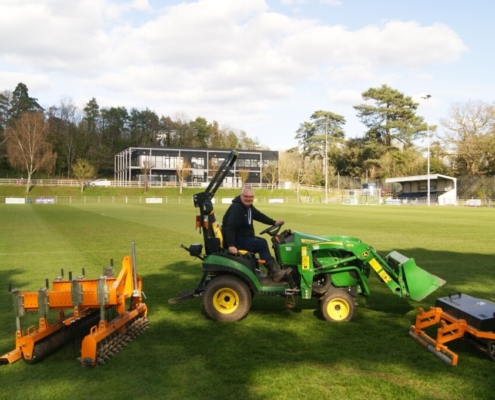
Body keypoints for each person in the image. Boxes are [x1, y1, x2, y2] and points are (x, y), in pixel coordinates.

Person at [222, 186, 290, 282]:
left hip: (242, 237)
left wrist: (273, 222)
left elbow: (259, 215)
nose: (248, 199)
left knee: (262, 241)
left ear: (253, 197)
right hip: (236, 239)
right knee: (261, 244)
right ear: (241, 196)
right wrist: (231, 245)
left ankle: (273, 271)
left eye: (250, 197)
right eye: (246, 196)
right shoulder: (237, 208)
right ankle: (275, 273)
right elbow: (230, 227)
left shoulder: (248, 207)